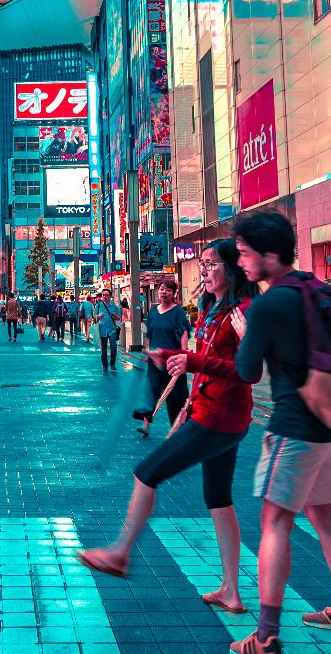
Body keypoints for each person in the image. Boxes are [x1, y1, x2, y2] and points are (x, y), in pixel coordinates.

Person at [228, 211, 331, 654]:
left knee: (274, 524)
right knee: (323, 513)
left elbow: (247, 372)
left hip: (295, 427)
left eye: (247, 254)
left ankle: (268, 640)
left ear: (271, 255)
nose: (241, 262)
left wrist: (247, 334)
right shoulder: (313, 286)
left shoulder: (270, 304)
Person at [79, 238, 256, 613]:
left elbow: (247, 371)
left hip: (217, 417)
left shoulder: (242, 310)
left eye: (211, 264)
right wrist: (177, 355)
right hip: (221, 415)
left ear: (233, 268)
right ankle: (231, 591)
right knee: (219, 499)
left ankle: (120, 553)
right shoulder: (213, 307)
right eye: (203, 264)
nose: (205, 270)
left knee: (147, 472)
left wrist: (192, 364)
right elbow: (208, 356)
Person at [140, 282, 190, 425]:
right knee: (151, 392)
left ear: (173, 293)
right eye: (161, 289)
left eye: (168, 290)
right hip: (154, 361)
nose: (163, 292)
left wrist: (183, 354)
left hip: (173, 361)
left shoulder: (178, 311)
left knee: (176, 397)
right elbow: (149, 334)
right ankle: (146, 424)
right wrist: (148, 352)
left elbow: (184, 333)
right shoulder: (153, 311)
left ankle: (178, 427)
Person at [94, 289, 123, 372]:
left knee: (113, 347)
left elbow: (119, 319)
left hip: (112, 330)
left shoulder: (115, 307)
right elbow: (94, 318)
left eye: (106, 295)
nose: (104, 296)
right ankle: (105, 365)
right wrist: (98, 317)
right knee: (103, 350)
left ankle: (112, 364)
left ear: (110, 296)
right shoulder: (98, 306)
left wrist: (115, 316)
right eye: (103, 295)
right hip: (102, 329)